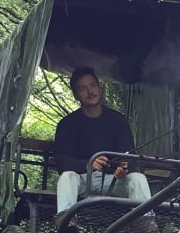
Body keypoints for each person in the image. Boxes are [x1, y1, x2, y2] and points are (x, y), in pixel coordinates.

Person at [54, 67, 152, 215]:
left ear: (100, 88)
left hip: (112, 180)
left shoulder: (118, 120)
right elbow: (62, 162)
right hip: (82, 180)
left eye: (93, 85)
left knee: (138, 179)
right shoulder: (67, 124)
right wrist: (89, 164)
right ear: (76, 95)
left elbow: (129, 155)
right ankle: (66, 225)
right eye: (83, 88)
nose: (90, 91)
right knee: (67, 177)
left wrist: (123, 168)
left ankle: (148, 228)